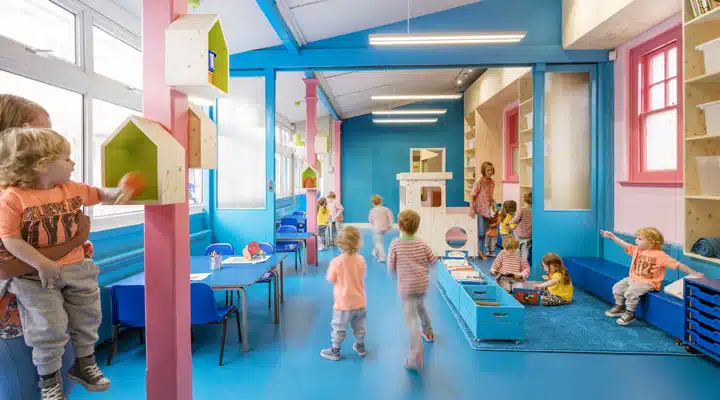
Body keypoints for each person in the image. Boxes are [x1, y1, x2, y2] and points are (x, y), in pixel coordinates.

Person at [0, 127, 131, 398]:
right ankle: (49, 381)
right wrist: (41, 263)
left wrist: (120, 190)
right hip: (35, 276)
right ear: (43, 165)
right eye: (67, 158)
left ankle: (85, 362)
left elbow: (100, 194)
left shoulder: (70, 189)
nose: (73, 164)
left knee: (88, 314)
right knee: (48, 326)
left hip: (76, 266)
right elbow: (10, 238)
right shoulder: (13, 198)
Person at [0, 94, 91, 400]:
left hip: (48, 311)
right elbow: (5, 266)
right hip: (17, 324)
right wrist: (75, 241)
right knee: (27, 389)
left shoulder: (37, 191)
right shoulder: (9, 197)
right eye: (46, 132)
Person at [601, 228, 702, 326]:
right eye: (636, 237)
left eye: (640, 239)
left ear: (651, 242)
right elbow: (624, 244)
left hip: (648, 282)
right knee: (617, 287)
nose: (636, 240)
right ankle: (620, 307)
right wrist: (612, 237)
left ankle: (630, 313)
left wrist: (694, 272)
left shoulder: (660, 255)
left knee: (630, 292)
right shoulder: (637, 250)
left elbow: (678, 265)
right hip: (632, 278)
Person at [388, 209, 437, 371]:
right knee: (421, 306)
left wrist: (396, 271)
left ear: (400, 226)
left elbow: (391, 266)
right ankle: (428, 333)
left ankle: (416, 357)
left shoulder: (395, 244)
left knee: (411, 321)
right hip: (422, 283)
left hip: (407, 287)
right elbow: (432, 260)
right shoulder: (422, 243)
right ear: (417, 227)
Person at [320, 226, 367, 361]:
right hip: (360, 301)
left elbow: (330, 279)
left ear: (340, 242)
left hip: (343, 303)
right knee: (359, 326)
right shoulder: (361, 259)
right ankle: (360, 346)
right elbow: (361, 274)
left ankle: (335, 350)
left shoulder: (336, 262)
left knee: (339, 327)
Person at [469, 162, 495, 260]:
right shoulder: (479, 181)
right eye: (488, 170)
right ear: (483, 170)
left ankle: (480, 252)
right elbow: (473, 195)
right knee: (479, 233)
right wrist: (471, 208)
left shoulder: (492, 182)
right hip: (478, 210)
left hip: (487, 210)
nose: (490, 172)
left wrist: (493, 203)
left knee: (483, 233)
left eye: (491, 170)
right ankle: (474, 251)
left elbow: (490, 196)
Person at [368, 194, 393, 263]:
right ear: (381, 201)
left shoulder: (372, 210)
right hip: (385, 228)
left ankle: (382, 258)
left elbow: (370, 220)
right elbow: (390, 217)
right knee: (378, 240)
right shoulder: (386, 209)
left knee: (379, 242)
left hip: (376, 228)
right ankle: (375, 252)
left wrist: (373, 223)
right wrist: (390, 224)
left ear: (372, 203)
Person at [510, 192, 532, 262]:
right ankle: (524, 264)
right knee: (525, 249)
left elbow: (515, 220)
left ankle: (517, 263)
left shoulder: (521, 209)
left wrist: (510, 221)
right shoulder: (535, 210)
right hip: (529, 234)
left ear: (524, 200)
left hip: (519, 234)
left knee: (517, 248)